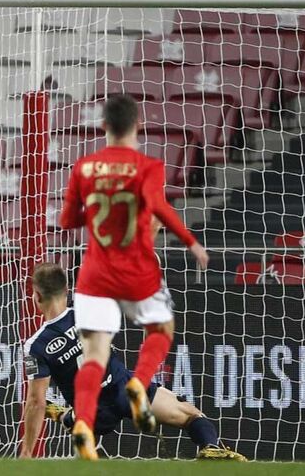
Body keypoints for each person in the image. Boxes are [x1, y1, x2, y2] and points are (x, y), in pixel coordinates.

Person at [58, 93, 209, 460]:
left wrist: (92, 216)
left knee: (94, 354)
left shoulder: (84, 166)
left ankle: (83, 423)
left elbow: (66, 222)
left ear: (104, 125)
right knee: (160, 330)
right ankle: (139, 383)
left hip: (94, 274)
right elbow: (160, 208)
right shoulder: (148, 167)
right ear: (137, 125)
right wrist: (191, 242)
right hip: (136, 271)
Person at [18, 263, 245, 461]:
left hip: (94, 413)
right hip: (124, 389)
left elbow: (36, 401)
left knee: (81, 422)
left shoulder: (34, 346)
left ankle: (64, 415)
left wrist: (27, 452)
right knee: (191, 414)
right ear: (67, 290)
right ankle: (211, 447)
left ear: (36, 295)